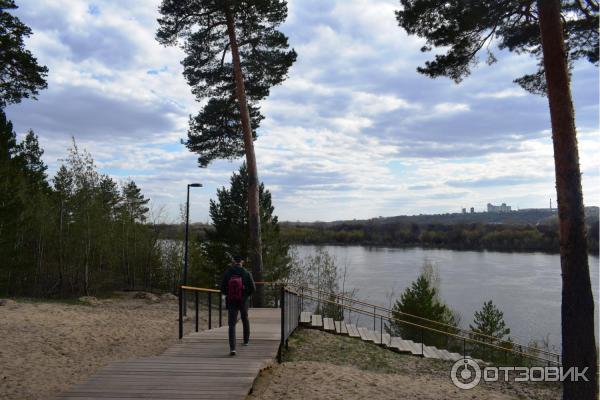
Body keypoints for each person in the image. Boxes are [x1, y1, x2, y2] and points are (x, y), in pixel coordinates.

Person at [220, 255, 256, 356]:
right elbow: (253, 288)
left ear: (233, 261)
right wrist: (245, 294)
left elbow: (222, 288)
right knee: (245, 319)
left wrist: (229, 294)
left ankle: (232, 348)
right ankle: (246, 340)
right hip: (243, 301)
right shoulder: (246, 273)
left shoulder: (228, 273)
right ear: (242, 262)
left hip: (232, 301)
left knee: (231, 324)